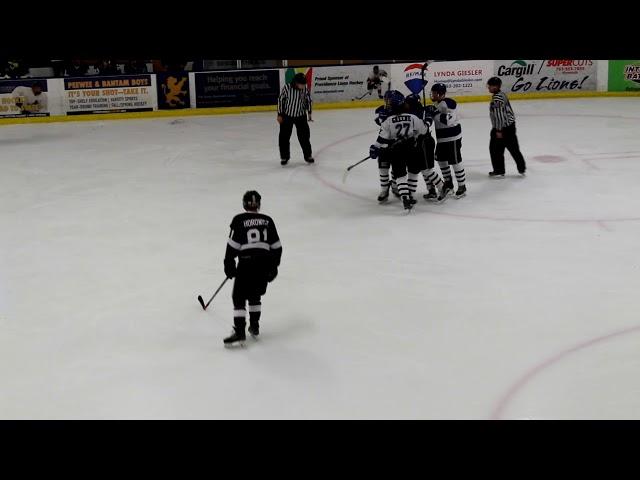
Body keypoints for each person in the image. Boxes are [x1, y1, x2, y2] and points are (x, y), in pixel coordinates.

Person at [223, 191, 283, 346]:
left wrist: (229, 264)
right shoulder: (268, 220)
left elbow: (233, 246)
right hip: (264, 264)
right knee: (255, 295)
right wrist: (273, 266)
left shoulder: (239, 220)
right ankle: (254, 326)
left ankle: (239, 331)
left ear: (244, 204)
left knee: (239, 297)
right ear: (259, 204)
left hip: (246, 263)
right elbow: (277, 247)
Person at [369, 90, 444, 211]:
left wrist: (375, 148)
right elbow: (424, 130)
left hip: (396, 150)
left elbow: (382, 138)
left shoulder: (388, 120)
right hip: (412, 149)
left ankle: (405, 197)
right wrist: (426, 122)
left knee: (400, 174)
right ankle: (412, 196)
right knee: (413, 171)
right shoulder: (412, 117)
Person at [428, 83, 466, 198]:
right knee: (441, 160)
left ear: (441, 94)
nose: (432, 95)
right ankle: (448, 184)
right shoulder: (438, 103)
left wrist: (434, 112)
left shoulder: (448, 103)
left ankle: (462, 186)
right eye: (432, 92)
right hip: (442, 138)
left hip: (452, 138)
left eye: (435, 93)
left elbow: (447, 120)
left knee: (455, 161)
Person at [486, 77, 527, 177]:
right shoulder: (501, 94)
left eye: (490, 86)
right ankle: (521, 168)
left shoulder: (497, 98)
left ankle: (499, 170)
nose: (488, 88)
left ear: (495, 86)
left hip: (503, 128)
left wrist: (499, 130)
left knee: (495, 149)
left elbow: (500, 115)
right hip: (510, 127)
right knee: (513, 148)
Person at [277, 73, 314, 165]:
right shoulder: (287, 88)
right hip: (287, 116)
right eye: (301, 84)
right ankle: (284, 157)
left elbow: (308, 100)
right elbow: (280, 100)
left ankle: (308, 155)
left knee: (304, 137)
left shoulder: (304, 89)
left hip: (301, 116)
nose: (303, 86)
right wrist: (280, 114)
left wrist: (309, 113)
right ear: (295, 82)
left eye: (304, 84)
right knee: (284, 137)